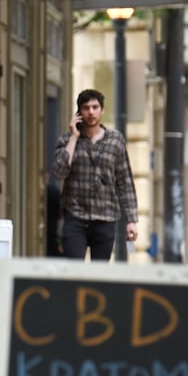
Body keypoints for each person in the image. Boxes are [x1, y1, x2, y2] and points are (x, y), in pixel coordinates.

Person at [51, 89, 138, 261]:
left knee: (99, 273)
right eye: (86, 108)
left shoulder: (115, 140)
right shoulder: (67, 139)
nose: (91, 112)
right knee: (73, 271)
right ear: (79, 112)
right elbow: (59, 172)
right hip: (75, 217)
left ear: (102, 110)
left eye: (95, 107)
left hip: (105, 217)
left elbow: (124, 181)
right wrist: (74, 138)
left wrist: (131, 220)